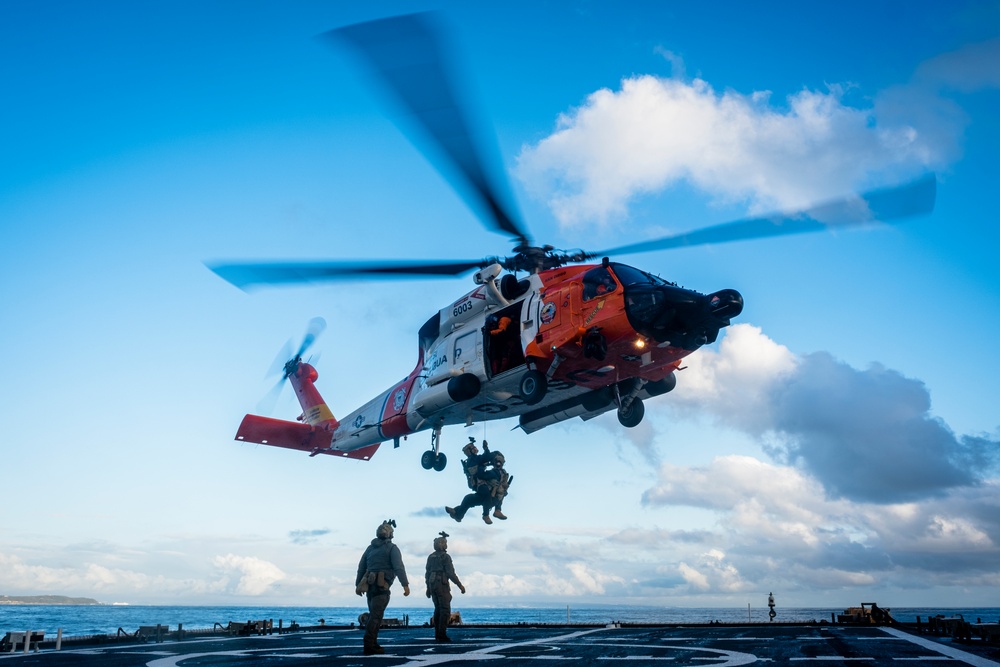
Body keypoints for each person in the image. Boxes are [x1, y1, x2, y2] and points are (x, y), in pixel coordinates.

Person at [355, 519, 410, 655]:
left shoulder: (370, 548)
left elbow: (361, 567)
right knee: (376, 616)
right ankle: (369, 645)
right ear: (390, 534)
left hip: (369, 586)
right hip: (381, 586)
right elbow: (398, 567)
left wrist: (358, 585)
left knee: (374, 615)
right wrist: (405, 584)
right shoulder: (392, 548)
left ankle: (373, 642)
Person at [424, 531, 465, 642]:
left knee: (437, 609)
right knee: (445, 610)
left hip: (432, 584)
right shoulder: (445, 557)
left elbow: (427, 573)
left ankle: (438, 633)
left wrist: (428, 588)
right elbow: (450, 573)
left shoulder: (431, 557)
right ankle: (441, 634)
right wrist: (460, 585)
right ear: (442, 544)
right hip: (441, 584)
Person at [446, 440, 497, 524]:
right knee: (486, 494)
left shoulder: (471, 460)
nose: (475, 448)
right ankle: (486, 515)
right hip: (481, 484)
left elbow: (483, 461)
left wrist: (487, 463)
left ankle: (457, 514)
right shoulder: (474, 459)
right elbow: (487, 457)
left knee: (468, 499)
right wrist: (486, 448)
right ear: (470, 451)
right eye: (473, 448)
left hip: (477, 484)